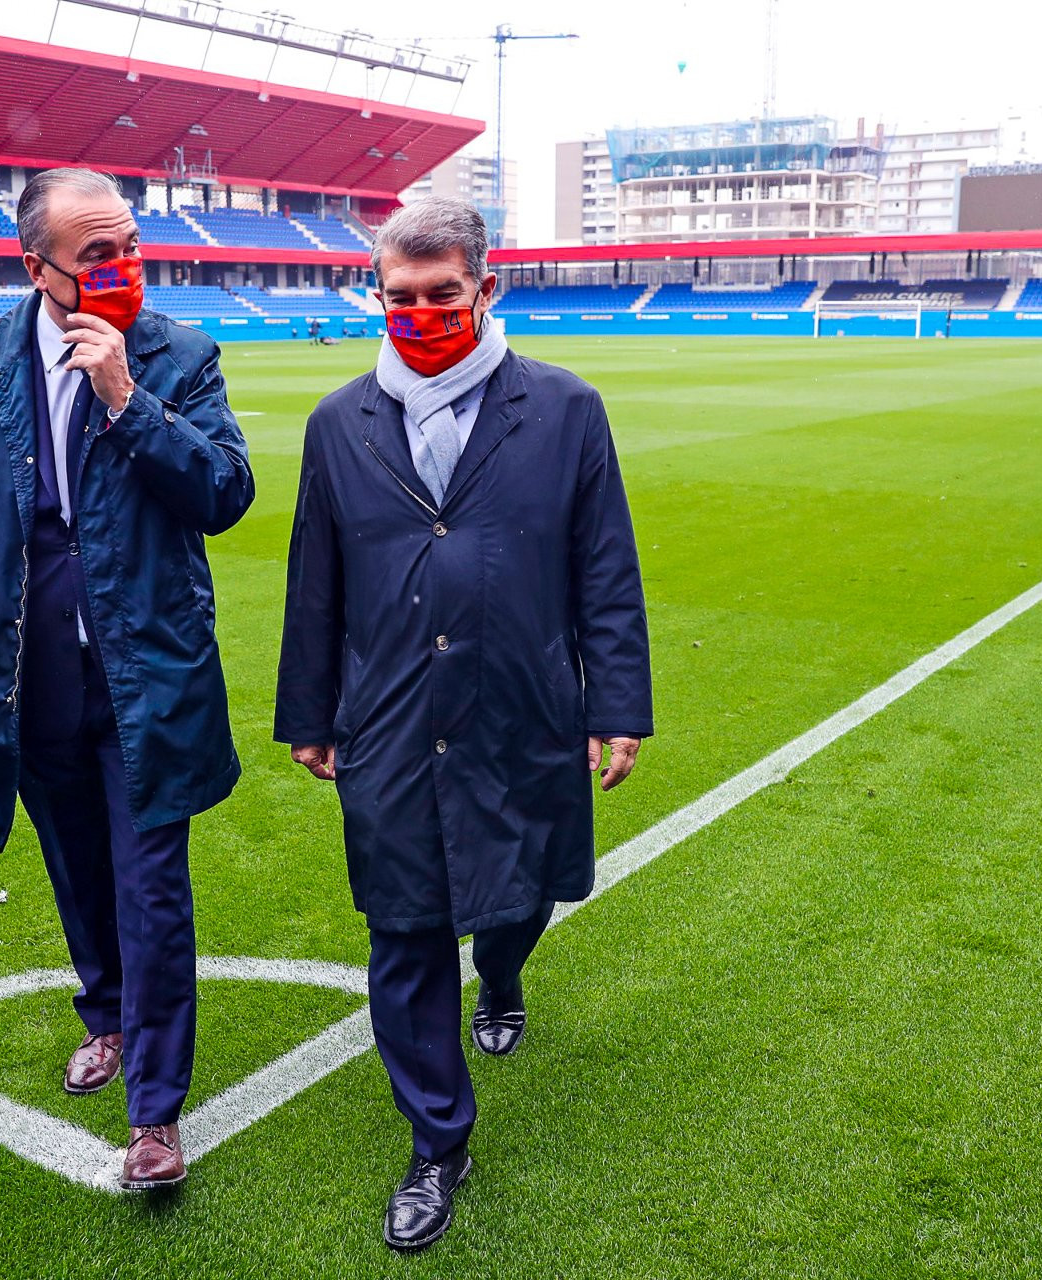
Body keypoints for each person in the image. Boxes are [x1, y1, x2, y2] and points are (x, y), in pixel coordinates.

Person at [0, 167, 254, 1190]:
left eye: (132, 248)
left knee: (150, 882)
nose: (123, 271)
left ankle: (155, 1110)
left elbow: (225, 491)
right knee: (75, 863)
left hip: (148, 671)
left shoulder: (178, 354)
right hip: (27, 673)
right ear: (36, 268)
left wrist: (124, 395)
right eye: (97, 256)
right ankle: (106, 1012)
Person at [274, 196, 653, 1251]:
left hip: (521, 703)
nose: (422, 312)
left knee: (516, 895)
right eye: (400, 298)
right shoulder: (335, 422)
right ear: (377, 297)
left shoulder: (566, 407)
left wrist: (615, 700)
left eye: (443, 293)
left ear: (485, 289)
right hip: (387, 715)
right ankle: (437, 1139)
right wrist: (308, 707)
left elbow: (603, 568)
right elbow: (317, 578)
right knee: (401, 926)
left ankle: (505, 968)